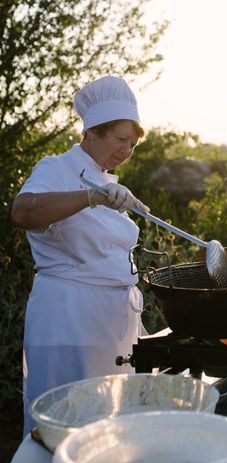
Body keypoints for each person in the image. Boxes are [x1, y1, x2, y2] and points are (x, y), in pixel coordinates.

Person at [11, 76, 150, 437]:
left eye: (132, 144)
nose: (126, 151)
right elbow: (23, 212)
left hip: (110, 322)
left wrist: (111, 196)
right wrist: (91, 198)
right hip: (68, 319)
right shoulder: (55, 168)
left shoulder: (110, 182)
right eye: (120, 140)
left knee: (108, 421)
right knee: (65, 421)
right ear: (91, 132)